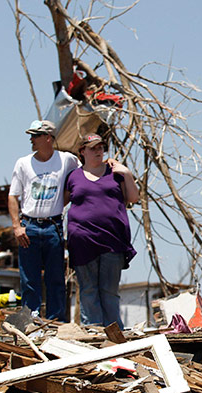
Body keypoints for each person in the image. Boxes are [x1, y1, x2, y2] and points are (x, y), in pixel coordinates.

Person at [64, 133, 139, 328]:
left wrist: (127, 173)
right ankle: (94, 332)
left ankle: (114, 332)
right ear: (83, 152)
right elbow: (62, 201)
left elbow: (133, 198)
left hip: (112, 240)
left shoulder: (115, 173)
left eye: (101, 147)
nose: (98, 151)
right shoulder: (73, 176)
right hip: (82, 240)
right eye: (93, 148)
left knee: (109, 291)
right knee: (88, 290)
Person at [8, 120, 79, 321]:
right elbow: (13, 196)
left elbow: (83, 174)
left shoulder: (67, 160)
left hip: (53, 226)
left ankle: (55, 321)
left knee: (55, 277)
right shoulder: (23, 163)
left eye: (36, 135)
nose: (31, 139)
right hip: (29, 225)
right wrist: (16, 226)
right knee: (29, 278)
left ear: (48, 137)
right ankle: (30, 319)